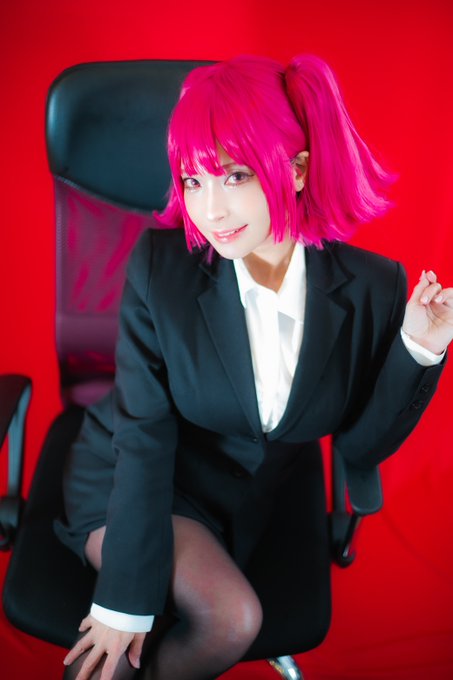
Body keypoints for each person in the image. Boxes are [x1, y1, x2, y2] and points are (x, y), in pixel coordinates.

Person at [54, 54, 453, 680]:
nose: (210, 210)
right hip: (131, 476)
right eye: (192, 180)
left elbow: (359, 448)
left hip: (249, 497)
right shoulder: (161, 268)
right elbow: (144, 435)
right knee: (157, 636)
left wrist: (418, 349)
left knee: (217, 623)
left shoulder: (373, 289)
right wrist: (122, 602)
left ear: (296, 169)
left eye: (235, 176)